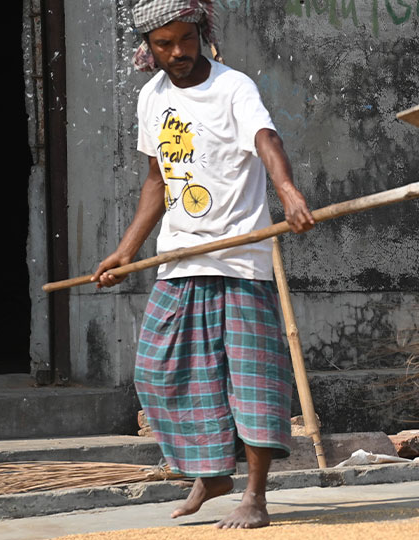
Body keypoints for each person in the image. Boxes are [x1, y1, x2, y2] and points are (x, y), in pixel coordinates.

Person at [91, 0, 314, 529]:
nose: (177, 52)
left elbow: (266, 139)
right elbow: (158, 179)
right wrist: (127, 252)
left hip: (240, 258)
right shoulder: (152, 97)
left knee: (253, 381)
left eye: (185, 40)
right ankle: (212, 474)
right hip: (180, 256)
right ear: (148, 47)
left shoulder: (233, 87)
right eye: (164, 44)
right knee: (158, 371)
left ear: (201, 34)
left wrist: (286, 191)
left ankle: (255, 497)